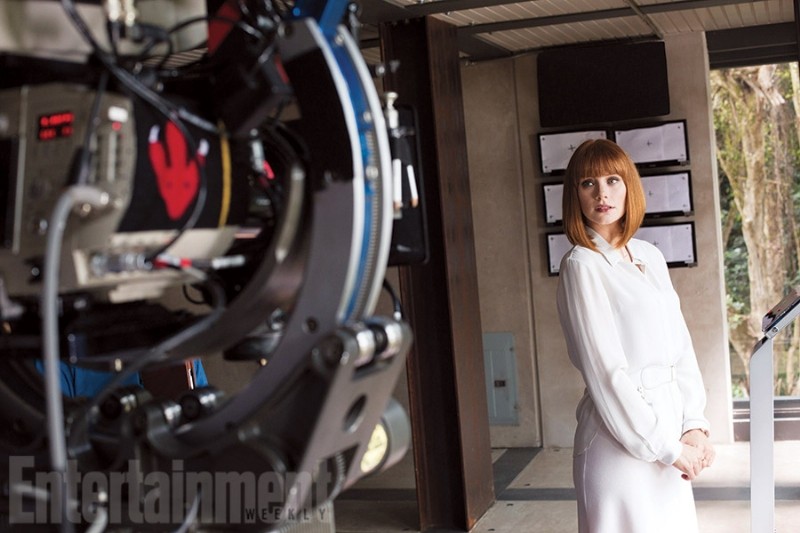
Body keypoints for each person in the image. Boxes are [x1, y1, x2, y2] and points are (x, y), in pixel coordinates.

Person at [555, 139, 715, 533]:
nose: (602, 193)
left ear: (630, 187)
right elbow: (606, 375)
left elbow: (681, 348)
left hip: (671, 439)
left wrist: (694, 424)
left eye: (613, 180)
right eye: (588, 183)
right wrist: (667, 447)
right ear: (575, 194)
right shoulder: (582, 265)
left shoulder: (650, 256)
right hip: (619, 447)